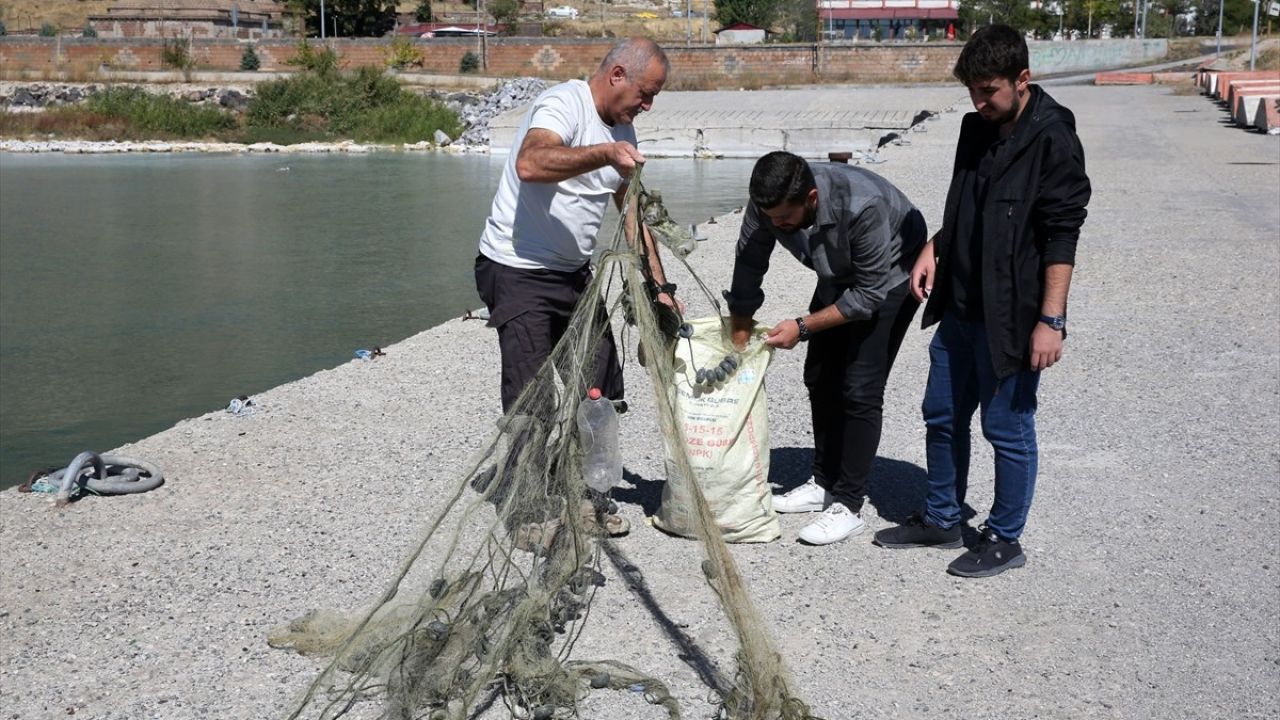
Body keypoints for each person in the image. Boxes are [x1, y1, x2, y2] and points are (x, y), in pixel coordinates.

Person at [872, 24, 1091, 577]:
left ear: (1022, 79)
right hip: (960, 304)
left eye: (988, 90)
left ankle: (1005, 536)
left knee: (1007, 427)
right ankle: (943, 518)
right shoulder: (976, 128)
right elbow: (971, 205)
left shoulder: (1053, 138)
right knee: (942, 415)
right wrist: (933, 247)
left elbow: (1062, 236)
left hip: (1013, 315)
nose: (979, 101)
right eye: (972, 90)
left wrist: (1052, 320)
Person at [474, 38, 676, 539]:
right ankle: (528, 511)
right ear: (617, 76)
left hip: (570, 274)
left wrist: (660, 287)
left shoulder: (623, 129)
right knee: (533, 394)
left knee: (600, 383)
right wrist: (605, 152)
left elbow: (633, 216)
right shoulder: (563, 103)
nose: (647, 106)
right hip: (516, 269)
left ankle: (591, 497)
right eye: (645, 94)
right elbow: (531, 163)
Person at [726, 151, 928, 546]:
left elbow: (868, 296)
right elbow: (750, 262)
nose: (777, 225)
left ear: (812, 199)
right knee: (819, 375)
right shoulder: (768, 203)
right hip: (837, 266)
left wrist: (802, 328)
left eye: (785, 219)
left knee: (860, 387)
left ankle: (848, 505)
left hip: (890, 273)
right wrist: (739, 331)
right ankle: (823, 483)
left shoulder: (863, 207)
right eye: (771, 218)